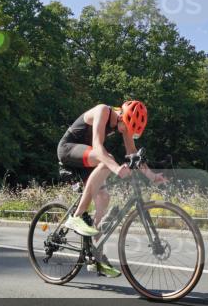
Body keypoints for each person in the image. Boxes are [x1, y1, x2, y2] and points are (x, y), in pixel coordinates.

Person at [57, 100, 166, 277]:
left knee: (103, 197)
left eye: (130, 131)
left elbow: (132, 153)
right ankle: (76, 217)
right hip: (68, 150)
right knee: (107, 158)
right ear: (122, 116)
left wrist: (153, 177)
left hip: (87, 158)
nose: (126, 132)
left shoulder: (124, 124)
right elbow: (98, 148)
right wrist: (116, 168)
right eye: (126, 128)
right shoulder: (103, 111)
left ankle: (95, 255)